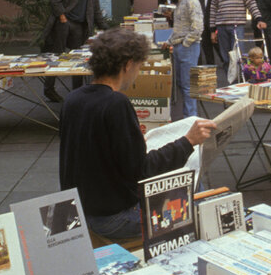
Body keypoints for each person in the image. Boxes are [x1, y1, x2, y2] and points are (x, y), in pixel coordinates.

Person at [59, 29, 216, 240]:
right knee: (199, 205)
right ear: (128, 64)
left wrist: (131, 142)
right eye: (139, 66)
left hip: (77, 210)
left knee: (190, 187)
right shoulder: (116, 103)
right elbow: (142, 171)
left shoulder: (73, 99)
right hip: (113, 218)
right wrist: (188, 142)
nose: (138, 73)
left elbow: (90, 148)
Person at [42, 0, 108, 101]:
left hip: (79, 26)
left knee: (77, 58)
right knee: (57, 56)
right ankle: (49, 89)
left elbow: (96, 10)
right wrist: (62, 17)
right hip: (64, 23)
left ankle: (77, 92)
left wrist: (106, 28)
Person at [209, 0, 265, 81]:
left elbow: (251, 4)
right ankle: (231, 82)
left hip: (236, 25)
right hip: (221, 26)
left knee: (239, 57)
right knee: (225, 58)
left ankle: (240, 82)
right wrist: (212, 30)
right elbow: (213, 10)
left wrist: (259, 18)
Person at [159, 0, 203, 118]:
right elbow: (180, 28)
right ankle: (188, 116)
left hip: (187, 47)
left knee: (188, 85)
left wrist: (185, 44)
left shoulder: (190, 1)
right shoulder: (180, 2)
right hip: (182, 46)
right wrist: (170, 41)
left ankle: (190, 118)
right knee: (183, 84)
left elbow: (197, 28)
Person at [195, 0, 219, 66]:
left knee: (219, 49)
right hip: (205, 24)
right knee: (207, 49)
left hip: (215, 24)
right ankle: (210, 67)